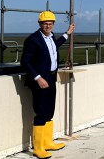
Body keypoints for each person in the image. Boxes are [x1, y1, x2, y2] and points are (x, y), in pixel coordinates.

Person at [21, 11, 75, 159]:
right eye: (45, 23)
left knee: (49, 111)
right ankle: (38, 148)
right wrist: (38, 78)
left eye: (50, 23)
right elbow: (25, 62)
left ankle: (47, 142)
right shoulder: (33, 39)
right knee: (41, 112)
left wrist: (67, 33)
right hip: (40, 81)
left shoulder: (51, 37)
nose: (48, 25)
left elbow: (55, 46)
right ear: (40, 24)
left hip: (51, 79)